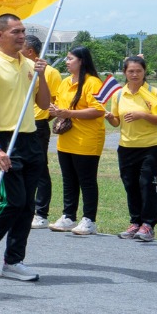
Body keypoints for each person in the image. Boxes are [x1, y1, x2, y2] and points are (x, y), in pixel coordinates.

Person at [0, 14, 53, 281]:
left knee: (27, 205)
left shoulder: (30, 65)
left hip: (29, 137)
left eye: (23, 31)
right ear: (0, 35)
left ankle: (14, 260)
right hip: (5, 139)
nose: (21, 35)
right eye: (15, 31)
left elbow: (44, 104)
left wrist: (41, 76)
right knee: (13, 200)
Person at [107, 55, 157, 242]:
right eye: (131, 71)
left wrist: (143, 115)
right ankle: (135, 222)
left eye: (138, 71)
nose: (135, 74)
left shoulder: (153, 92)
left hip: (151, 146)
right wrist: (109, 117)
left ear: (144, 72)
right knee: (130, 185)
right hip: (126, 147)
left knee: (147, 184)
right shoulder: (119, 94)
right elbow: (117, 122)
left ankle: (148, 225)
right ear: (124, 72)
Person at [48, 45, 106, 236]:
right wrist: (55, 110)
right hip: (66, 138)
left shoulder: (93, 82)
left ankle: (89, 219)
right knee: (69, 179)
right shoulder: (65, 82)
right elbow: (60, 105)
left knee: (86, 180)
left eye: (70, 58)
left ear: (81, 61)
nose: (67, 61)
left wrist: (69, 113)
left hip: (86, 139)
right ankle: (68, 216)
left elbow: (98, 110)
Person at [23, 33, 63, 228]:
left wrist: (44, 118)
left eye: (21, 48)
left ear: (30, 51)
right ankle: (26, 209)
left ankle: (41, 212)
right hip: (20, 124)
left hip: (38, 124)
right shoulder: (21, 68)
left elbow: (55, 101)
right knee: (22, 168)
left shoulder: (51, 72)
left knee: (39, 168)